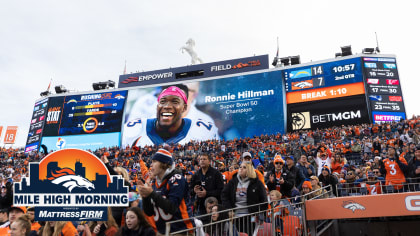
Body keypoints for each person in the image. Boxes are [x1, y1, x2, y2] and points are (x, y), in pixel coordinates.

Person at [122, 85, 219, 147]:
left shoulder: (203, 131)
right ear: (157, 106)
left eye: (175, 102)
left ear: (184, 108)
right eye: (163, 102)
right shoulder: (133, 129)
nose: (167, 106)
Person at [138, 148, 194, 235]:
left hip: (181, 230)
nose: (151, 165)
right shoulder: (154, 183)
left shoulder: (177, 179)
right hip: (163, 231)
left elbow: (172, 208)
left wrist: (151, 194)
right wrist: (145, 196)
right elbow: (149, 212)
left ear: (164, 163)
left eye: (154, 161)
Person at [221, 162, 267, 236]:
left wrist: (259, 213)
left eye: (244, 167)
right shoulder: (233, 182)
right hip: (235, 216)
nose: (241, 169)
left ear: (249, 170)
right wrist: (229, 209)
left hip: (250, 217)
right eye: (240, 167)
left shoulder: (257, 183)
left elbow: (264, 200)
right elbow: (224, 195)